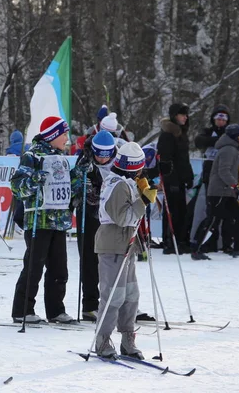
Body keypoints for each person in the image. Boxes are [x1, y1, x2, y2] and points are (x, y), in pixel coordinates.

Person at [10, 116, 82, 324]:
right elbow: (17, 187)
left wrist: (79, 174)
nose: (67, 139)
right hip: (38, 220)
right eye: (64, 134)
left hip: (59, 220)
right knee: (34, 266)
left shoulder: (60, 158)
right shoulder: (32, 156)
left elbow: (68, 187)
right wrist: (34, 179)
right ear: (52, 135)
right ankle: (22, 309)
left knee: (60, 268)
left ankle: (56, 310)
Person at [94, 142, 157, 359]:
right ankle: (102, 341)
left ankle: (128, 338)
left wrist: (142, 192)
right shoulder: (117, 184)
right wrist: (143, 202)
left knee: (131, 295)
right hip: (113, 243)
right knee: (113, 295)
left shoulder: (125, 182)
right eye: (140, 167)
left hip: (126, 244)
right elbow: (122, 217)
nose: (142, 171)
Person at [192, 124, 239, 260]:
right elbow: (223, 170)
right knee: (213, 219)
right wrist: (235, 186)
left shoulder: (233, 149)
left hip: (227, 191)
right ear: (235, 136)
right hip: (219, 191)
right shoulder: (229, 150)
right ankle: (196, 249)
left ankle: (238, 248)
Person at [74, 130, 117, 322]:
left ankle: (117, 301)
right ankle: (90, 304)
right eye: (99, 153)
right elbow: (74, 183)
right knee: (90, 260)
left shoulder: (118, 162)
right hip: (90, 216)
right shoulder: (85, 161)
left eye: (106, 154)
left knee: (112, 261)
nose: (102, 158)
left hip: (111, 217)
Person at [191, 104, 232, 252]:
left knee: (224, 209)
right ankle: (209, 242)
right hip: (210, 170)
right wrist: (219, 141)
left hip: (225, 170)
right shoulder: (209, 132)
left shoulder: (230, 132)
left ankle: (224, 242)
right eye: (218, 118)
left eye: (224, 119)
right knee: (211, 208)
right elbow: (199, 141)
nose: (220, 121)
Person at [157, 103, 194, 254]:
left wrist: (188, 176)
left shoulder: (181, 134)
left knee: (181, 211)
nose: (185, 117)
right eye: (182, 114)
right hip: (172, 179)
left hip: (180, 179)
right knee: (172, 211)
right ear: (174, 116)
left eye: (186, 114)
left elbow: (184, 159)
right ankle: (169, 240)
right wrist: (170, 179)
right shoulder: (168, 134)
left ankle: (179, 239)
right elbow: (165, 159)